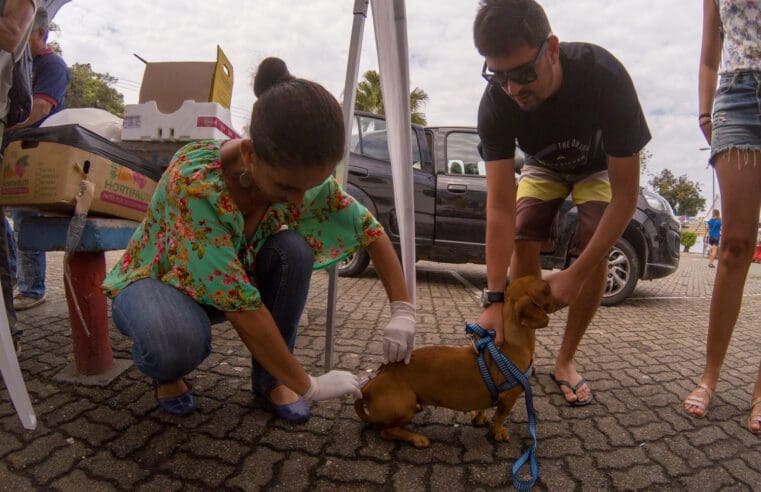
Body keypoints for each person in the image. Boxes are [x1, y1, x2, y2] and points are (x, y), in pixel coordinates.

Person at [102, 57, 417, 422]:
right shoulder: (195, 185)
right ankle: (167, 373)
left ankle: (271, 380)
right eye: (287, 188)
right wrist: (309, 384)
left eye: (310, 188)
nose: (300, 201)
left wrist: (403, 311)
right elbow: (242, 305)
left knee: (292, 251)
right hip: (157, 283)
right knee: (175, 342)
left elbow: (369, 229)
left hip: (223, 286)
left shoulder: (293, 172)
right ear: (249, 154)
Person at [473, 0, 650, 406]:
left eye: (522, 73)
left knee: (594, 240)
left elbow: (626, 195)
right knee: (523, 232)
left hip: (597, 167)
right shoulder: (497, 102)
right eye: (498, 76)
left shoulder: (604, 76)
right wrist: (495, 299)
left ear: (551, 48)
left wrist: (575, 275)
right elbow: (499, 207)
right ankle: (524, 352)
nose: (512, 89)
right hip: (543, 166)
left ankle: (565, 361)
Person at [683, 0, 761, 435]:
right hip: (737, 95)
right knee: (734, 244)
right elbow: (710, 54)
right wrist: (703, 112)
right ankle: (710, 375)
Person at [6, 6, 70, 311]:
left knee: (24, 217)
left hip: (39, 149)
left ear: (41, 34)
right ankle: (18, 281)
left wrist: (7, 127)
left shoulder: (52, 65)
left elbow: (41, 108)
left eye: (26, 32)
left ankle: (32, 289)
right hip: (16, 146)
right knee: (12, 220)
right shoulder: (19, 62)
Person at [0, 0, 37, 351]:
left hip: (28, 144)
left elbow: (10, 33)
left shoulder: (53, 65)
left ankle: (6, 335)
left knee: (20, 226)